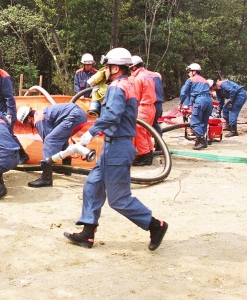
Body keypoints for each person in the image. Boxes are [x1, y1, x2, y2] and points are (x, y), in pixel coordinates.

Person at [63, 47, 168, 251]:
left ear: (115, 67)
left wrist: (90, 133)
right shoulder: (125, 84)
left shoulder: (118, 87)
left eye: (108, 66)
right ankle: (87, 232)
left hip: (118, 146)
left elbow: (112, 116)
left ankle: (155, 225)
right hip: (112, 145)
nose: (105, 70)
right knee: (92, 185)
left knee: (119, 199)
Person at [16, 103, 95, 188]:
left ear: (28, 118)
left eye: (26, 123)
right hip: (78, 114)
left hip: (75, 116)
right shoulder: (40, 114)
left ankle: (46, 178)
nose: (28, 126)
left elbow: (48, 141)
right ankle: (66, 168)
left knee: (50, 140)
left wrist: (47, 161)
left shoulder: (38, 120)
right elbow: (57, 139)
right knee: (59, 138)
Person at [129, 56, 157, 166]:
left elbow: (136, 97)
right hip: (151, 108)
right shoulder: (148, 76)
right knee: (147, 133)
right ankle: (148, 154)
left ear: (134, 67)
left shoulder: (138, 79)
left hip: (143, 108)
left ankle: (144, 156)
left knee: (139, 133)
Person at [179, 63, 212, 150]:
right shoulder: (204, 80)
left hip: (200, 100)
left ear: (194, 71)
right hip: (208, 101)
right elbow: (194, 94)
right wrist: (190, 104)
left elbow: (184, 92)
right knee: (203, 121)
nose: (188, 73)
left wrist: (180, 103)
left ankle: (201, 141)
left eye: (189, 71)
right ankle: (200, 139)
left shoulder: (191, 79)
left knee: (194, 122)